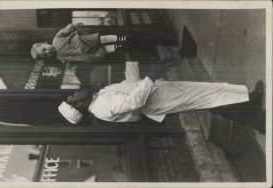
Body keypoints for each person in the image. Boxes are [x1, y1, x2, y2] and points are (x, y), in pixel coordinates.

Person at [58, 61, 265, 134]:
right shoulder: (101, 107)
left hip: (161, 92)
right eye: (74, 95)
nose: (77, 91)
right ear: (80, 104)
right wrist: (152, 75)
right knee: (210, 98)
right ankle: (258, 119)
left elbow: (132, 85)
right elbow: (134, 102)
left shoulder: (99, 97)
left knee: (210, 95)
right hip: (160, 101)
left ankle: (250, 100)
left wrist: (130, 60)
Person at [31, 22, 127, 63]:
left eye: (45, 49)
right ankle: (117, 46)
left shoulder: (57, 39)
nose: (48, 52)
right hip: (84, 54)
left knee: (101, 39)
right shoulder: (59, 57)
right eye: (46, 55)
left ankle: (119, 38)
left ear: (45, 42)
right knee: (102, 51)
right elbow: (70, 59)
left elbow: (66, 30)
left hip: (83, 40)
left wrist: (74, 25)